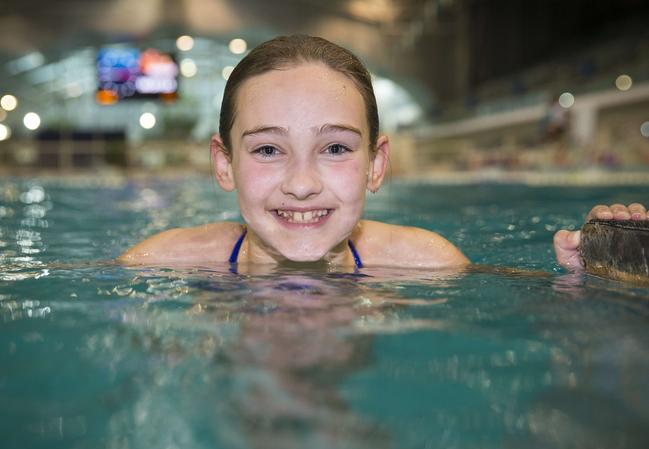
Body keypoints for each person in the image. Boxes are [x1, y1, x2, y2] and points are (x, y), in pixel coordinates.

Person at [117, 35, 648, 273]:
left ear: (375, 164)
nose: (301, 183)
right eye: (269, 149)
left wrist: (587, 282)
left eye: (335, 148)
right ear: (224, 163)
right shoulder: (160, 263)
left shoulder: (429, 263)